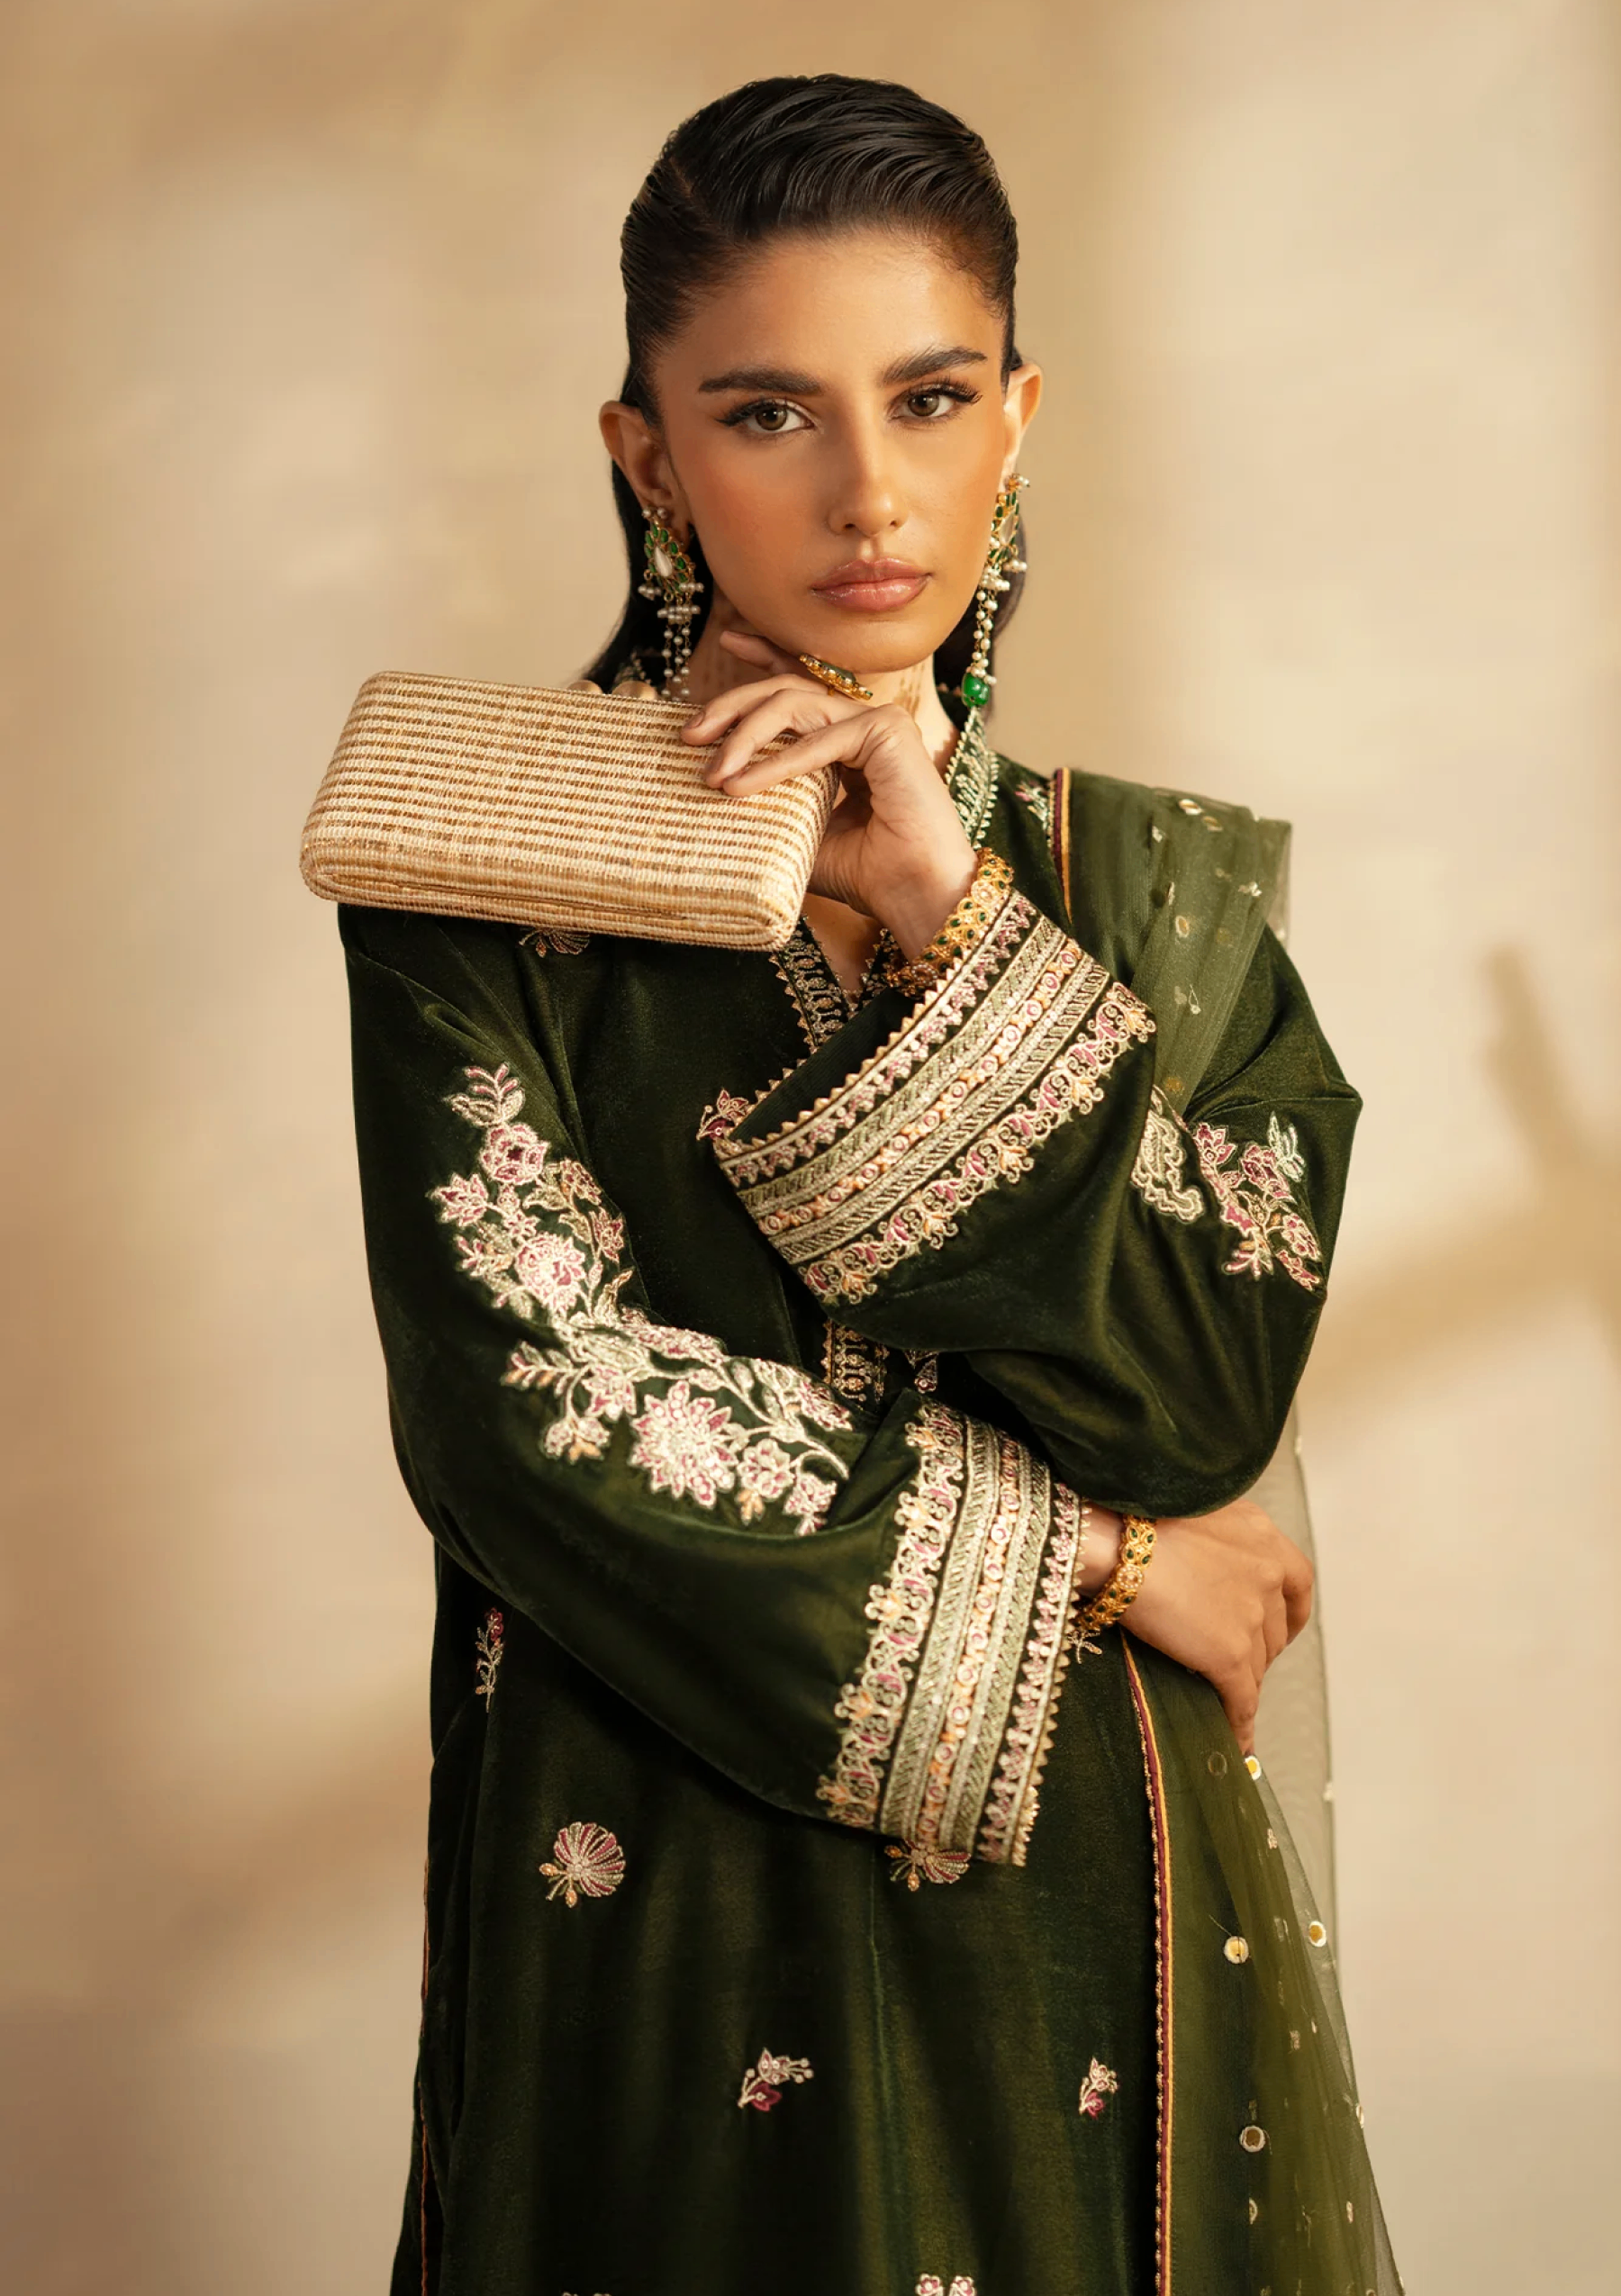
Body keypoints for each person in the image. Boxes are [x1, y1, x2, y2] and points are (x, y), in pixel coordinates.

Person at [339, 74, 1399, 2296]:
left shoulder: (1153, 890)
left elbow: (1202, 1398)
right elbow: (526, 1418)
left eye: (927, 398)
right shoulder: (482, 868)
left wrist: (947, 914)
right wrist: (1106, 1561)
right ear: (648, 455)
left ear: (1019, 414)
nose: (868, 492)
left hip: (1107, 1912)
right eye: (767, 414)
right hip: (668, 1897)